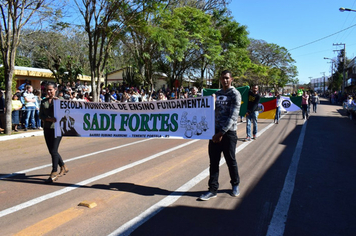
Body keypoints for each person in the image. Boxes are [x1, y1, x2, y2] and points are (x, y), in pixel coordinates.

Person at [199, 70, 241, 201]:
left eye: (227, 78)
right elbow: (208, 111)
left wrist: (221, 133)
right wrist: (210, 101)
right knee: (214, 162)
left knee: (230, 161)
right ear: (220, 79)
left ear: (231, 79)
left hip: (228, 134)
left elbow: (233, 116)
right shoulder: (216, 94)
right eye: (223, 78)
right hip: (214, 133)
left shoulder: (235, 94)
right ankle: (212, 190)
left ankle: (235, 184)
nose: (225, 80)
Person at [39, 82, 68, 183]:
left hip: (58, 128)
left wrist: (59, 102)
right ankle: (63, 166)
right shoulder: (44, 102)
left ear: (55, 90)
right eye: (47, 90)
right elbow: (40, 115)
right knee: (52, 150)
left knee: (54, 150)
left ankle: (54, 172)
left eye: (51, 89)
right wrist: (47, 119)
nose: (49, 91)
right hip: (47, 127)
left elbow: (67, 112)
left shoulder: (61, 101)